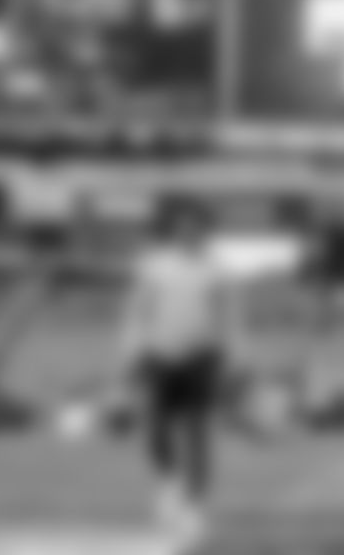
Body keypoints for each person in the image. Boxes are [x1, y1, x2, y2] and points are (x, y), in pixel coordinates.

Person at [118, 199, 237, 549]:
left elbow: (228, 317)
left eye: (197, 226)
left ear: (205, 230)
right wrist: (131, 352)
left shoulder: (217, 269)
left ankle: (195, 508)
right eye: (184, 225)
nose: (190, 232)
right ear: (174, 229)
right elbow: (136, 311)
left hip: (201, 357)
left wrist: (230, 358)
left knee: (197, 436)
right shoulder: (153, 266)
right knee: (155, 428)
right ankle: (168, 486)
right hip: (159, 355)